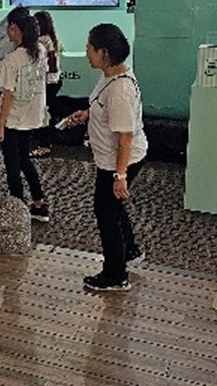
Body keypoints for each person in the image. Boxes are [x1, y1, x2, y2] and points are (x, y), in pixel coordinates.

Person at [59, 24, 145, 292]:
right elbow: (106, 109)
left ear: (104, 52)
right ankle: (129, 249)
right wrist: (87, 114)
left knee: (106, 211)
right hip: (111, 158)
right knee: (112, 208)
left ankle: (115, 275)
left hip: (118, 160)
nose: (87, 52)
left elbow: (125, 136)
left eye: (90, 47)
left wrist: (120, 176)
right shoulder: (110, 77)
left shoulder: (120, 89)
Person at [0, 8, 51, 223]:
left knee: (12, 164)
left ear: (14, 28)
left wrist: (0, 125)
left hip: (14, 118)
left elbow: (8, 94)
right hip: (32, 116)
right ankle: (39, 202)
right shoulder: (40, 50)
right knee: (24, 159)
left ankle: (18, 209)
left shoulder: (12, 59)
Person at [32, 11, 62, 158]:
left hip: (47, 82)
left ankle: (44, 145)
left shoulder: (43, 41)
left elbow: (52, 65)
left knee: (44, 114)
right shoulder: (53, 39)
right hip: (52, 81)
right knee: (45, 113)